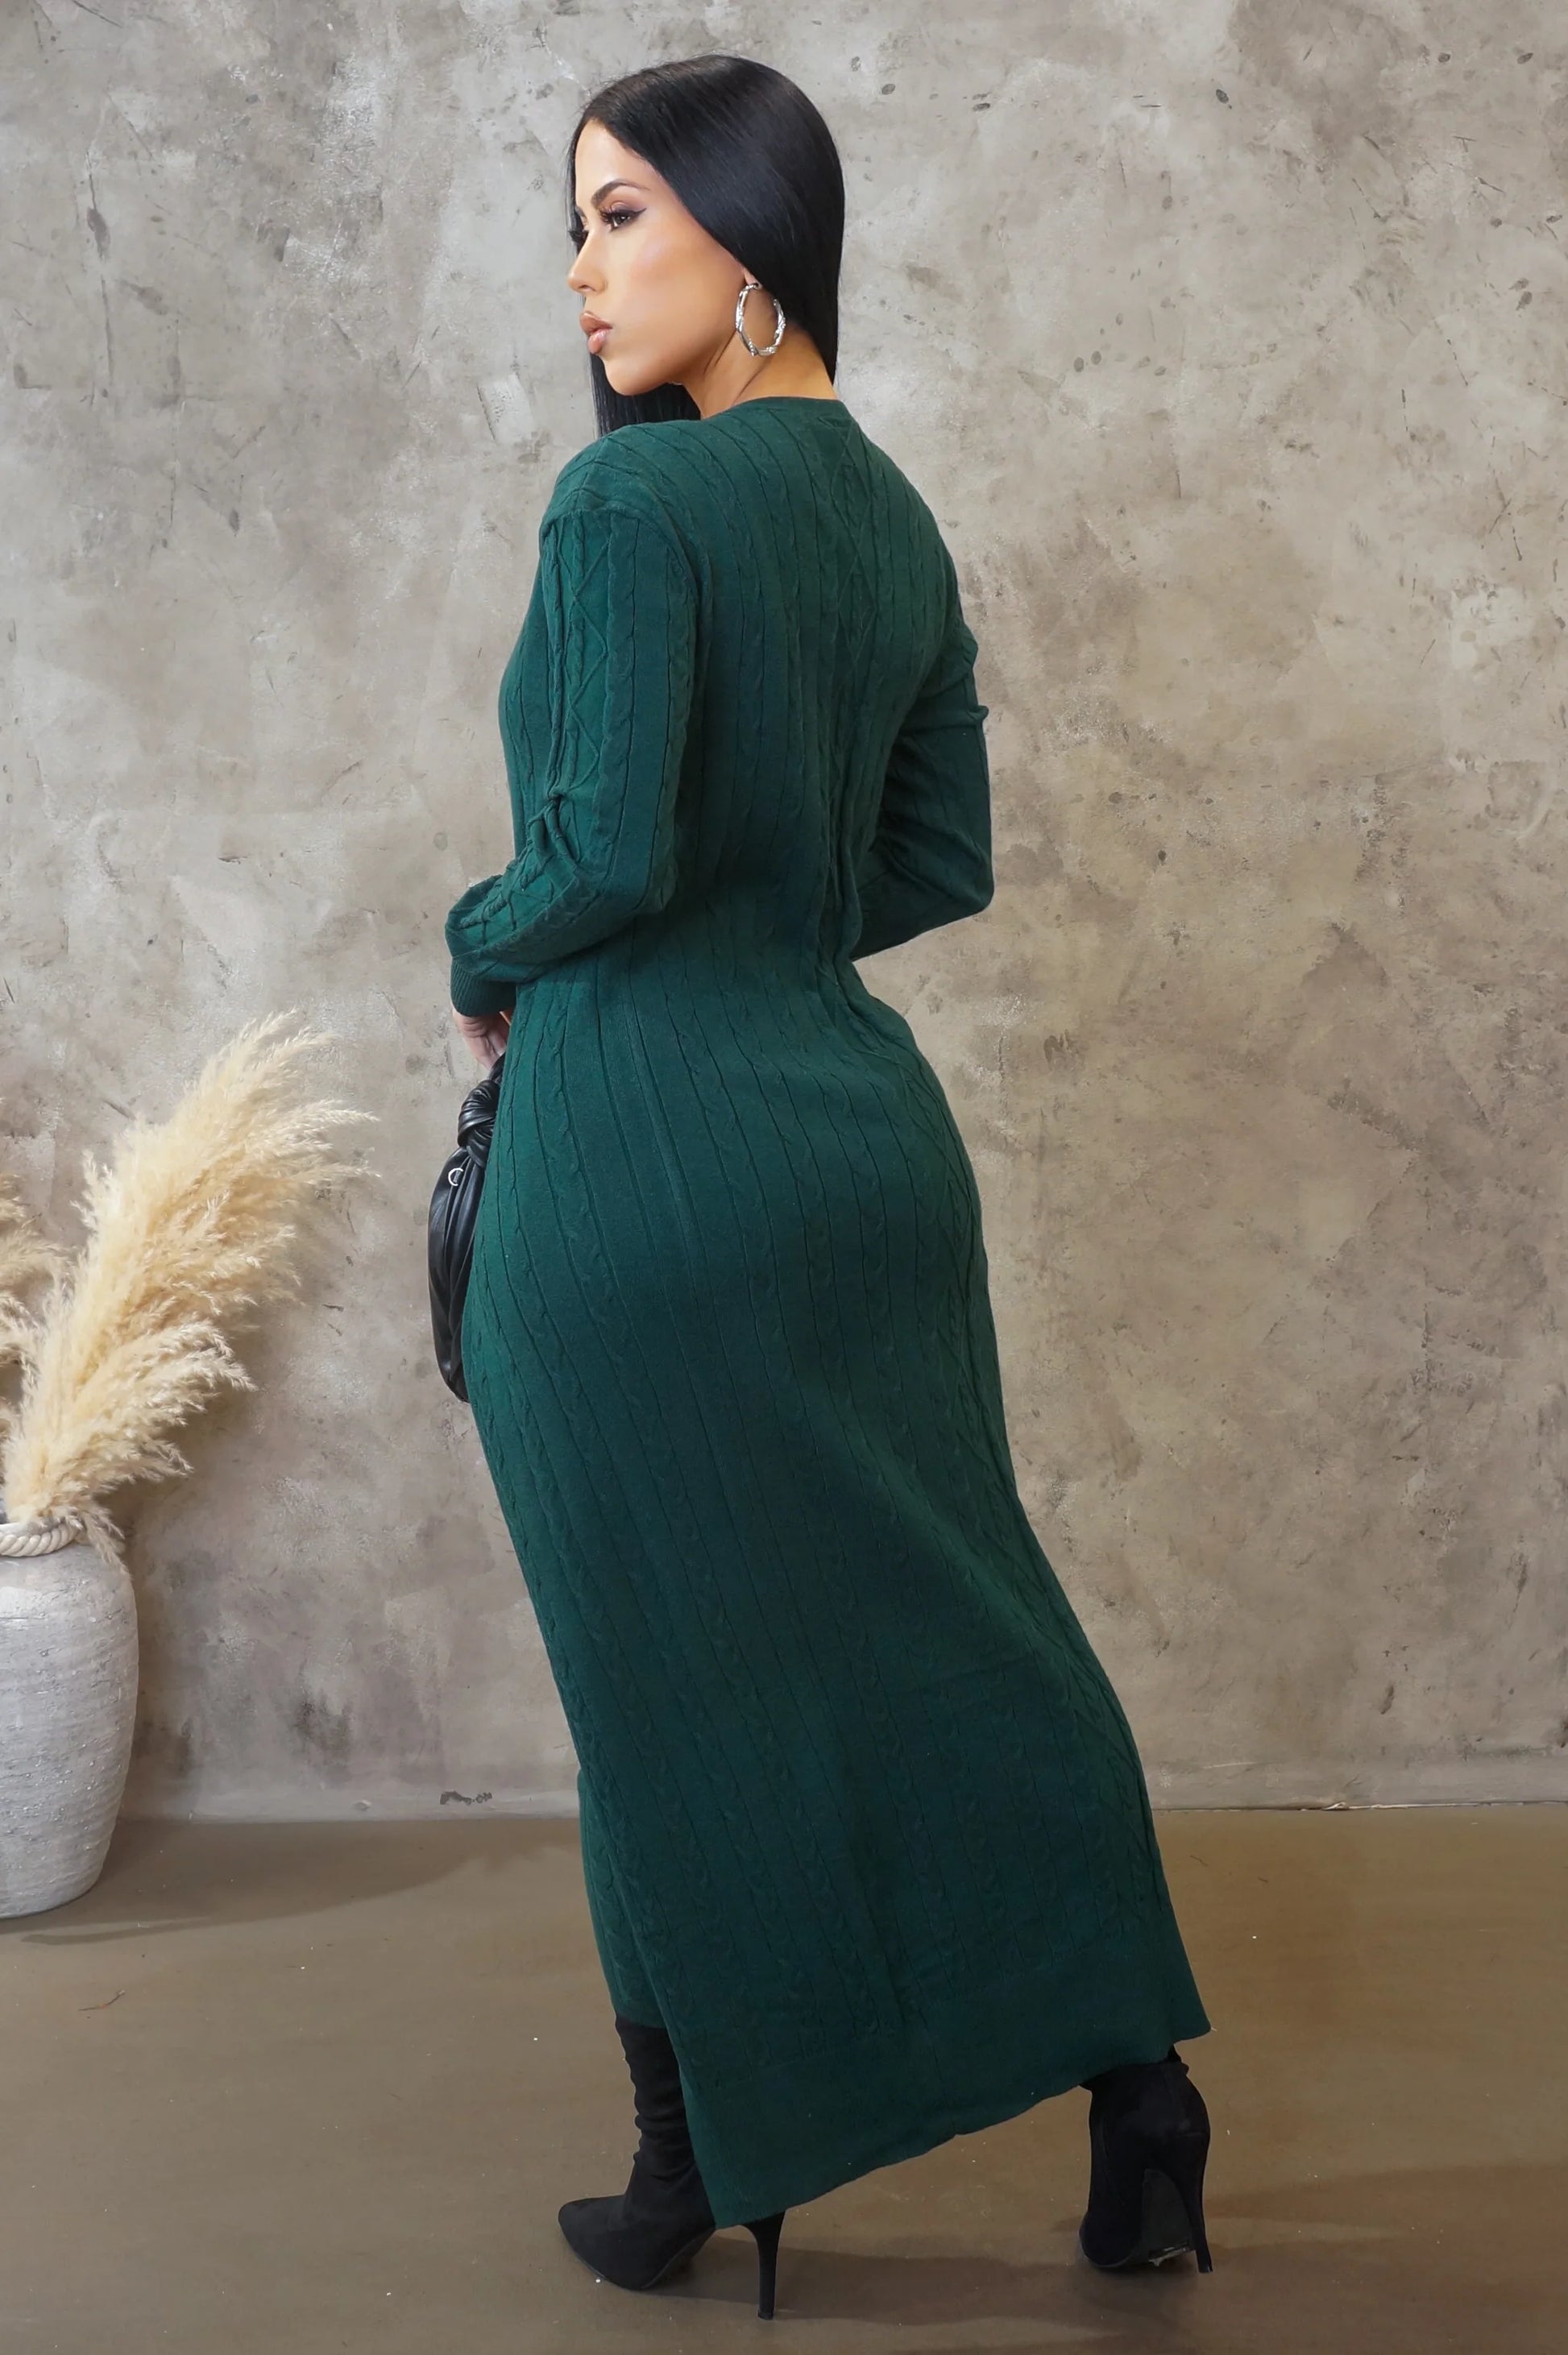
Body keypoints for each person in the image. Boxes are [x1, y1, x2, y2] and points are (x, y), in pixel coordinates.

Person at [443, 52, 1216, 2324]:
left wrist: (472, 952)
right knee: (961, 1634)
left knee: (656, 1682)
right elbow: (932, 862)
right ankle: (1138, 2101)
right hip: (861, 1154)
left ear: (748, 238)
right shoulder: (884, 514)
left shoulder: (628, 515)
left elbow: (598, 858)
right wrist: (766, 950)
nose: (581, 272)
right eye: (573, 224)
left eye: (620, 218)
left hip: (634, 1179)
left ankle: (689, 2165)